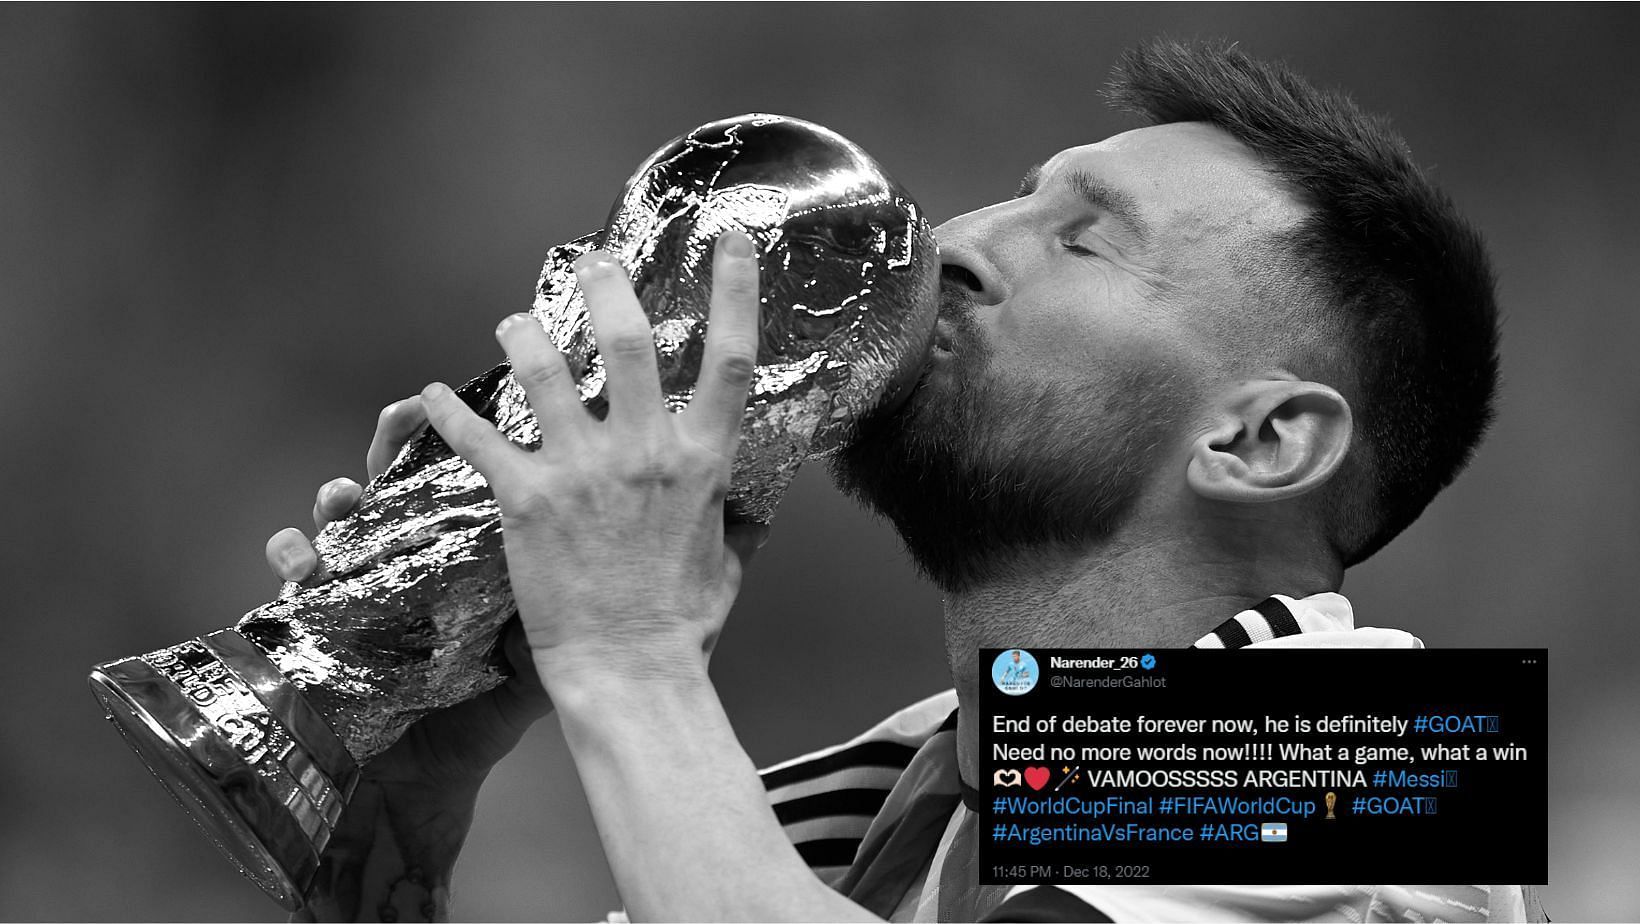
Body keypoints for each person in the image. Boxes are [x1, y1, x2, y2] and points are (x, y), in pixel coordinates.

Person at [266, 40, 1546, 922]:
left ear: (1261, 443)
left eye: (1082, 239)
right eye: (1008, 198)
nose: (949, 244)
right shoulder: (883, 803)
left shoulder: (1398, 759)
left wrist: (628, 654)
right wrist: (401, 841)